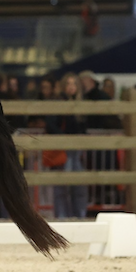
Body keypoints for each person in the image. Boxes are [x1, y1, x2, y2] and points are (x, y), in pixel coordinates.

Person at [44, 72, 88, 220]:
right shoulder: (59, 100)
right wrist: (63, 137)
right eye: (68, 84)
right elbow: (51, 123)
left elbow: (82, 127)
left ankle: (79, 214)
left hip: (76, 148)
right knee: (62, 185)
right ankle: (62, 216)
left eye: (74, 84)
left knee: (79, 185)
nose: (71, 87)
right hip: (63, 147)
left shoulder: (80, 103)